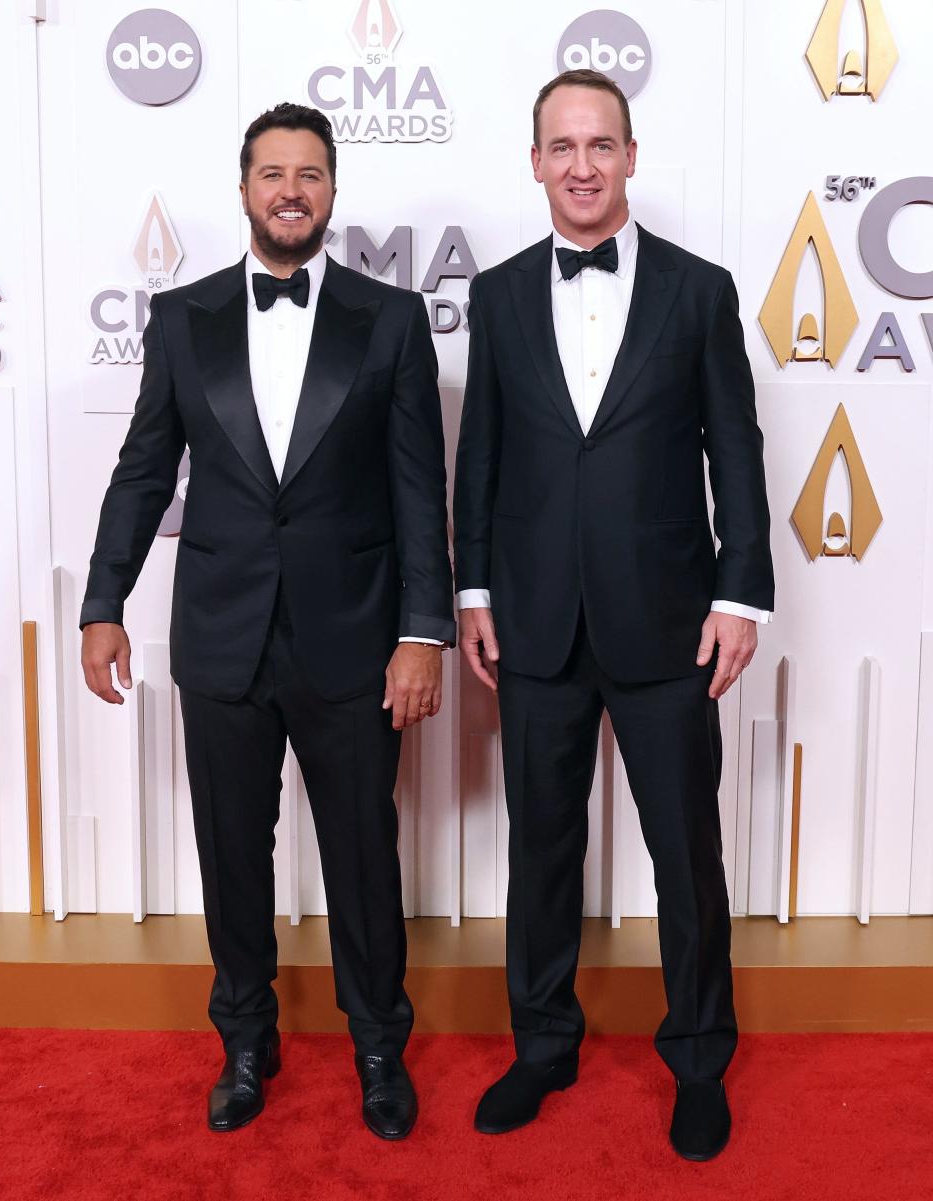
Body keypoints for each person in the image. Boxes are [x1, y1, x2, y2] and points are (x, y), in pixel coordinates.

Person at [80, 102, 454, 1138]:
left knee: (364, 858)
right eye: (273, 173)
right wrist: (103, 602)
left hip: (354, 637)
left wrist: (422, 631)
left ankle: (381, 1044)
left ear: (333, 192)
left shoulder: (389, 320)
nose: (292, 190)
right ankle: (245, 1043)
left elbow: (420, 491)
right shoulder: (182, 317)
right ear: (244, 188)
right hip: (223, 638)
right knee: (232, 850)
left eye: (311, 174)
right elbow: (144, 470)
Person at [453, 69, 774, 1160]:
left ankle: (698, 1058)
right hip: (535, 624)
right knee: (540, 849)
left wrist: (741, 594)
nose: (581, 165)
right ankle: (542, 1047)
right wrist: (473, 592)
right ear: (535, 161)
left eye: (601, 144)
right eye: (562, 146)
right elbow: (481, 457)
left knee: (685, 853)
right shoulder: (495, 297)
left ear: (632, 156)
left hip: (671, 624)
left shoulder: (700, 290)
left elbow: (735, 447)